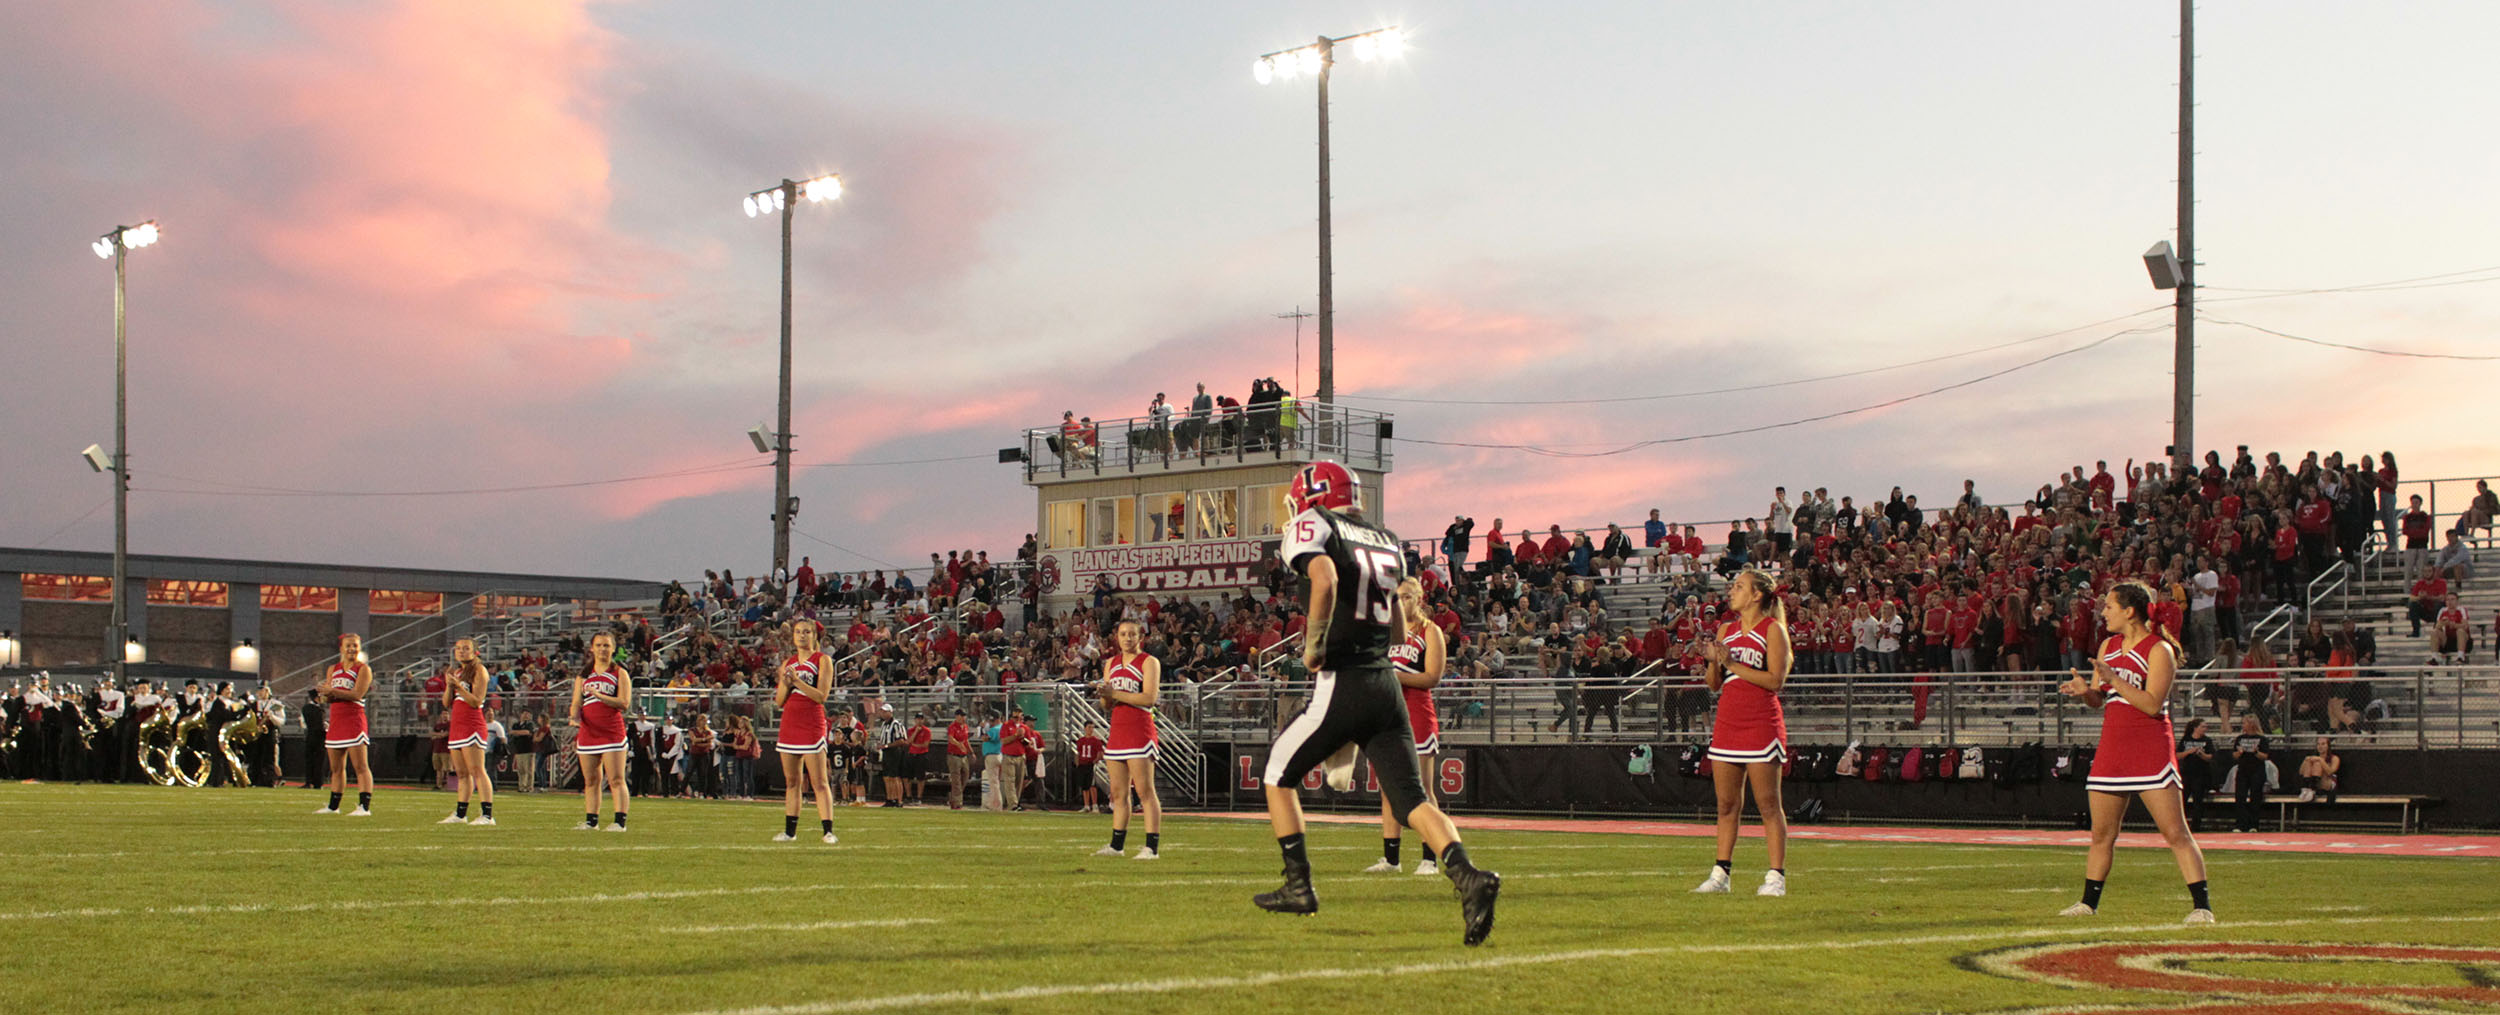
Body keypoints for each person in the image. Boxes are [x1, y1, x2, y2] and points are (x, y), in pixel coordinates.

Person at [1253, 461, 1500, 946]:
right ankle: (1469, 875)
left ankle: (1299, 885)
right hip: (1385, 685)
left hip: (1343, 679)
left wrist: (1315, 644)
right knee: (1413, 799)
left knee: (1276, 775)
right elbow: (1399, 630)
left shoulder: (1314, 523)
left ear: (1315, 493)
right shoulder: (1386, 538)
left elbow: (1323, 580)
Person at [2056, 582, 2213, 924]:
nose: (2104, 613)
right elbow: (2101, 698)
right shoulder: (2108, 646)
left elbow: (2153, 704)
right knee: (2101, 835)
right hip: (2113, 745)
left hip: (2150, 746)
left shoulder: (2159, 650)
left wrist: (2114, 679)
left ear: (2129, 611)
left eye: (2110, 607)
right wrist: (2086, 692)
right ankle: (2088, 903)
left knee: (2175, 832)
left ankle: (2202, 907)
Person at [1692, 568, 1793, 898]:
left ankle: (1776, 877)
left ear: (1756, 595)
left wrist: (1732, 663)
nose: (1731, 591)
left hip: (1761, 722)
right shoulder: (1725, 629)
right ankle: (1721, 873)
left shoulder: (1772, 629)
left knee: (1767, 804)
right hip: (1728, 723)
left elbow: (1776, 680)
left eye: (1739, 587)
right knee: (1725, 805)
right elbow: (1713, 684)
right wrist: (1712, 661)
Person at [1366, 578, 1448, 876]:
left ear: (1419, 598)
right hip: (1387, 715)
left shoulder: (1431, 631)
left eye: (1405, 597)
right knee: (1387, 788)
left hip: (1417, 714)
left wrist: (1395, 677)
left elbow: (1432, 677)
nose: (1399, 603)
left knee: (1423, 790)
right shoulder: (1388, 634)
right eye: (1395, 598)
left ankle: (1430, 859)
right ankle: (1391, 859)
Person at [1091, 619, 1164, 859]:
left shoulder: (1149, 662)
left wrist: (1115, 693)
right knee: (1118, 793)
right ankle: (1116, 846)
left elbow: (1149, 699)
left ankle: (1151, 848)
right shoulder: (1110, 663)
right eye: (1123, 634)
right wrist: (1104, 695)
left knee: (1144, 791)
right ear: (1117, 637)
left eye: (1132, 634)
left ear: (1140, 637)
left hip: (1140, 730)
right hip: (1117, 731)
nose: (1127, 638)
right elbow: (1106, 705)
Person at [772, 620, 838, 843]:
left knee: (819, 781)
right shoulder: (787, 663)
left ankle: (828, 831)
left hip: (812, 722)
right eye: (798, 632)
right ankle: (790, 832)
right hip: (790, 722)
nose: (801, 636)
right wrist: (786, 683)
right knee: (792, 782)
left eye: (806, 632)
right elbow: (779, 701)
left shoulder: (823, 660)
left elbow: (821, 696)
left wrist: (797, 682)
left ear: (814, 636)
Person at [572, 631, 632, 832]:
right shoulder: (583, 675)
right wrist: (574, 717)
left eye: (606, 645)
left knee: (616, 778)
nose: (602, 649)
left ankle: (619, 822)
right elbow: (576, 703)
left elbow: (624, 703)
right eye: (598, 645)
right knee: (591, 780)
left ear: (613, 649)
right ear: (592, 648)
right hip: (588, 732)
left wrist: (599, 695)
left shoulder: (619, 673)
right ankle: (591, 821)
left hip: (611, 731)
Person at [436, 638, 497, 826]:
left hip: (472, 723)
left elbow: (476, 701)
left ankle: (487, 815)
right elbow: (446, 703)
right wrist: (449, 685)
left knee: (477, 770)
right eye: (458, 648)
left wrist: (459, 687)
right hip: (457, 724)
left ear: (475, 651)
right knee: (461, 773)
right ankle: (461, 814)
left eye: (466, 648)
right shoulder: (457, 672)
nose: (461, 651)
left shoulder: (479, 670)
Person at [315, 634, 376, 817]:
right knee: (336, 767)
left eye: (355, 646)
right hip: (336, 720)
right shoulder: (332, 669)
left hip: (353, 719)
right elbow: (330, 697)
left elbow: (357, 694)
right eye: (348, 646)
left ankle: (364, 807)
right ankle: (334, 806)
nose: (352, 649)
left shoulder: (363, 669)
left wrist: (332, 690)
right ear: (341, 648)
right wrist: (324, 695)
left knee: (360, 766)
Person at [2226, 714, 2270, 832]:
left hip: (2257, 770)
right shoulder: (2240, 738)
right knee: (2240, 797)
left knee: (2256, 797)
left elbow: (2265, 756)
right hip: (2243, 770)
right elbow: (2234, 755)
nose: (2243, 725)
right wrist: (2239, 753)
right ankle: (2240, 824)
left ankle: (2253, 825)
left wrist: (2256, 752)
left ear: (2251, 724)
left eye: (2245, 723)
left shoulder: (2262, 739)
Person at [2176, 718, 2217, 833]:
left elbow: (2210, 757)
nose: (2205, 729)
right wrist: (2189, 752)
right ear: (2196, 728)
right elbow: (2178, 755)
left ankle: (2196, 826)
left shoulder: (2207, 740)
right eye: (2203, 726)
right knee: (2182, 800)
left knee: (2198, 801)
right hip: (2187, 773)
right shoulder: (2185, 740)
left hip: (2201, 774)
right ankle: (2180, 826)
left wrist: (2201, 754)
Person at [1073, 723, 1107, 813]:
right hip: (1082, 764)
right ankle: (1086, 805)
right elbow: (1078, 753)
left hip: (1090, 764)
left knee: (1092, 785)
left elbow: (1100, 753)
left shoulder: (1096, 741)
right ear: (1085, 728)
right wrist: (1077, 763)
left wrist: (1094, 761)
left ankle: (1095, 805)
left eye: (1092, 727)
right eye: (1089, 727)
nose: (1091, 729)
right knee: (1085, 786)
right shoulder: (1080, 741)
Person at [2296, 736, 2341, 803]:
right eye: (2318, 744)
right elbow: (2301, 772)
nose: (2320, 746)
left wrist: (2320, 760)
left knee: (2317, 764)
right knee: (2309, 761)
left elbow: (2330, 772)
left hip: (2327, 783)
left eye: (2323, 744)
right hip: (2314, 781)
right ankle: (2307, 789)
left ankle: (2313, 790)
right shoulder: (2314, 758)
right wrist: (2305, 761)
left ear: (2328, 746)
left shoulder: (2334, 758)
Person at [945, 709, 972, 809]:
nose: (963, 718)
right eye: (961, 715)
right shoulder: (952, 727)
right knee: (956, 779)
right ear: (957, 716)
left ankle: (953, 796)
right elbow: (951, 738)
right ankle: (958, 802)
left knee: (965, 777)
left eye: (964, 716)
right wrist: (958, 745)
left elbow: (966, 740)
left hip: (963, 756)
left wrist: (971, 751)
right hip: (954, 755)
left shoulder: (965, 726)